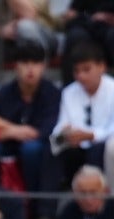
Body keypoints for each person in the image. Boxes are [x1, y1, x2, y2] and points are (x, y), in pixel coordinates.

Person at [0, 38, 60, 212]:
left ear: (43, 67)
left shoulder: (52, 93)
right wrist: (14, 131)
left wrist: (2, 126)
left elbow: (44, 132)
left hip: (38, 152)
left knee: (32, 148)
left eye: (36, 63)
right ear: (16, 66)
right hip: (8, 146)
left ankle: (35, 206)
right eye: (25, 62)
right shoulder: (3, 93)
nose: (30, 69)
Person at [51, 41, 114, 188]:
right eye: (77, 71)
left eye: (86, 70)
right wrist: (64, 134)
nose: (81, 76)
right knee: (52, 146)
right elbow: (60, 127)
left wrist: (92, 135)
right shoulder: (68, 92)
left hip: (103, 145)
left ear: (102, 67)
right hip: (77, 146)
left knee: (102, 148)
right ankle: (47, 207)